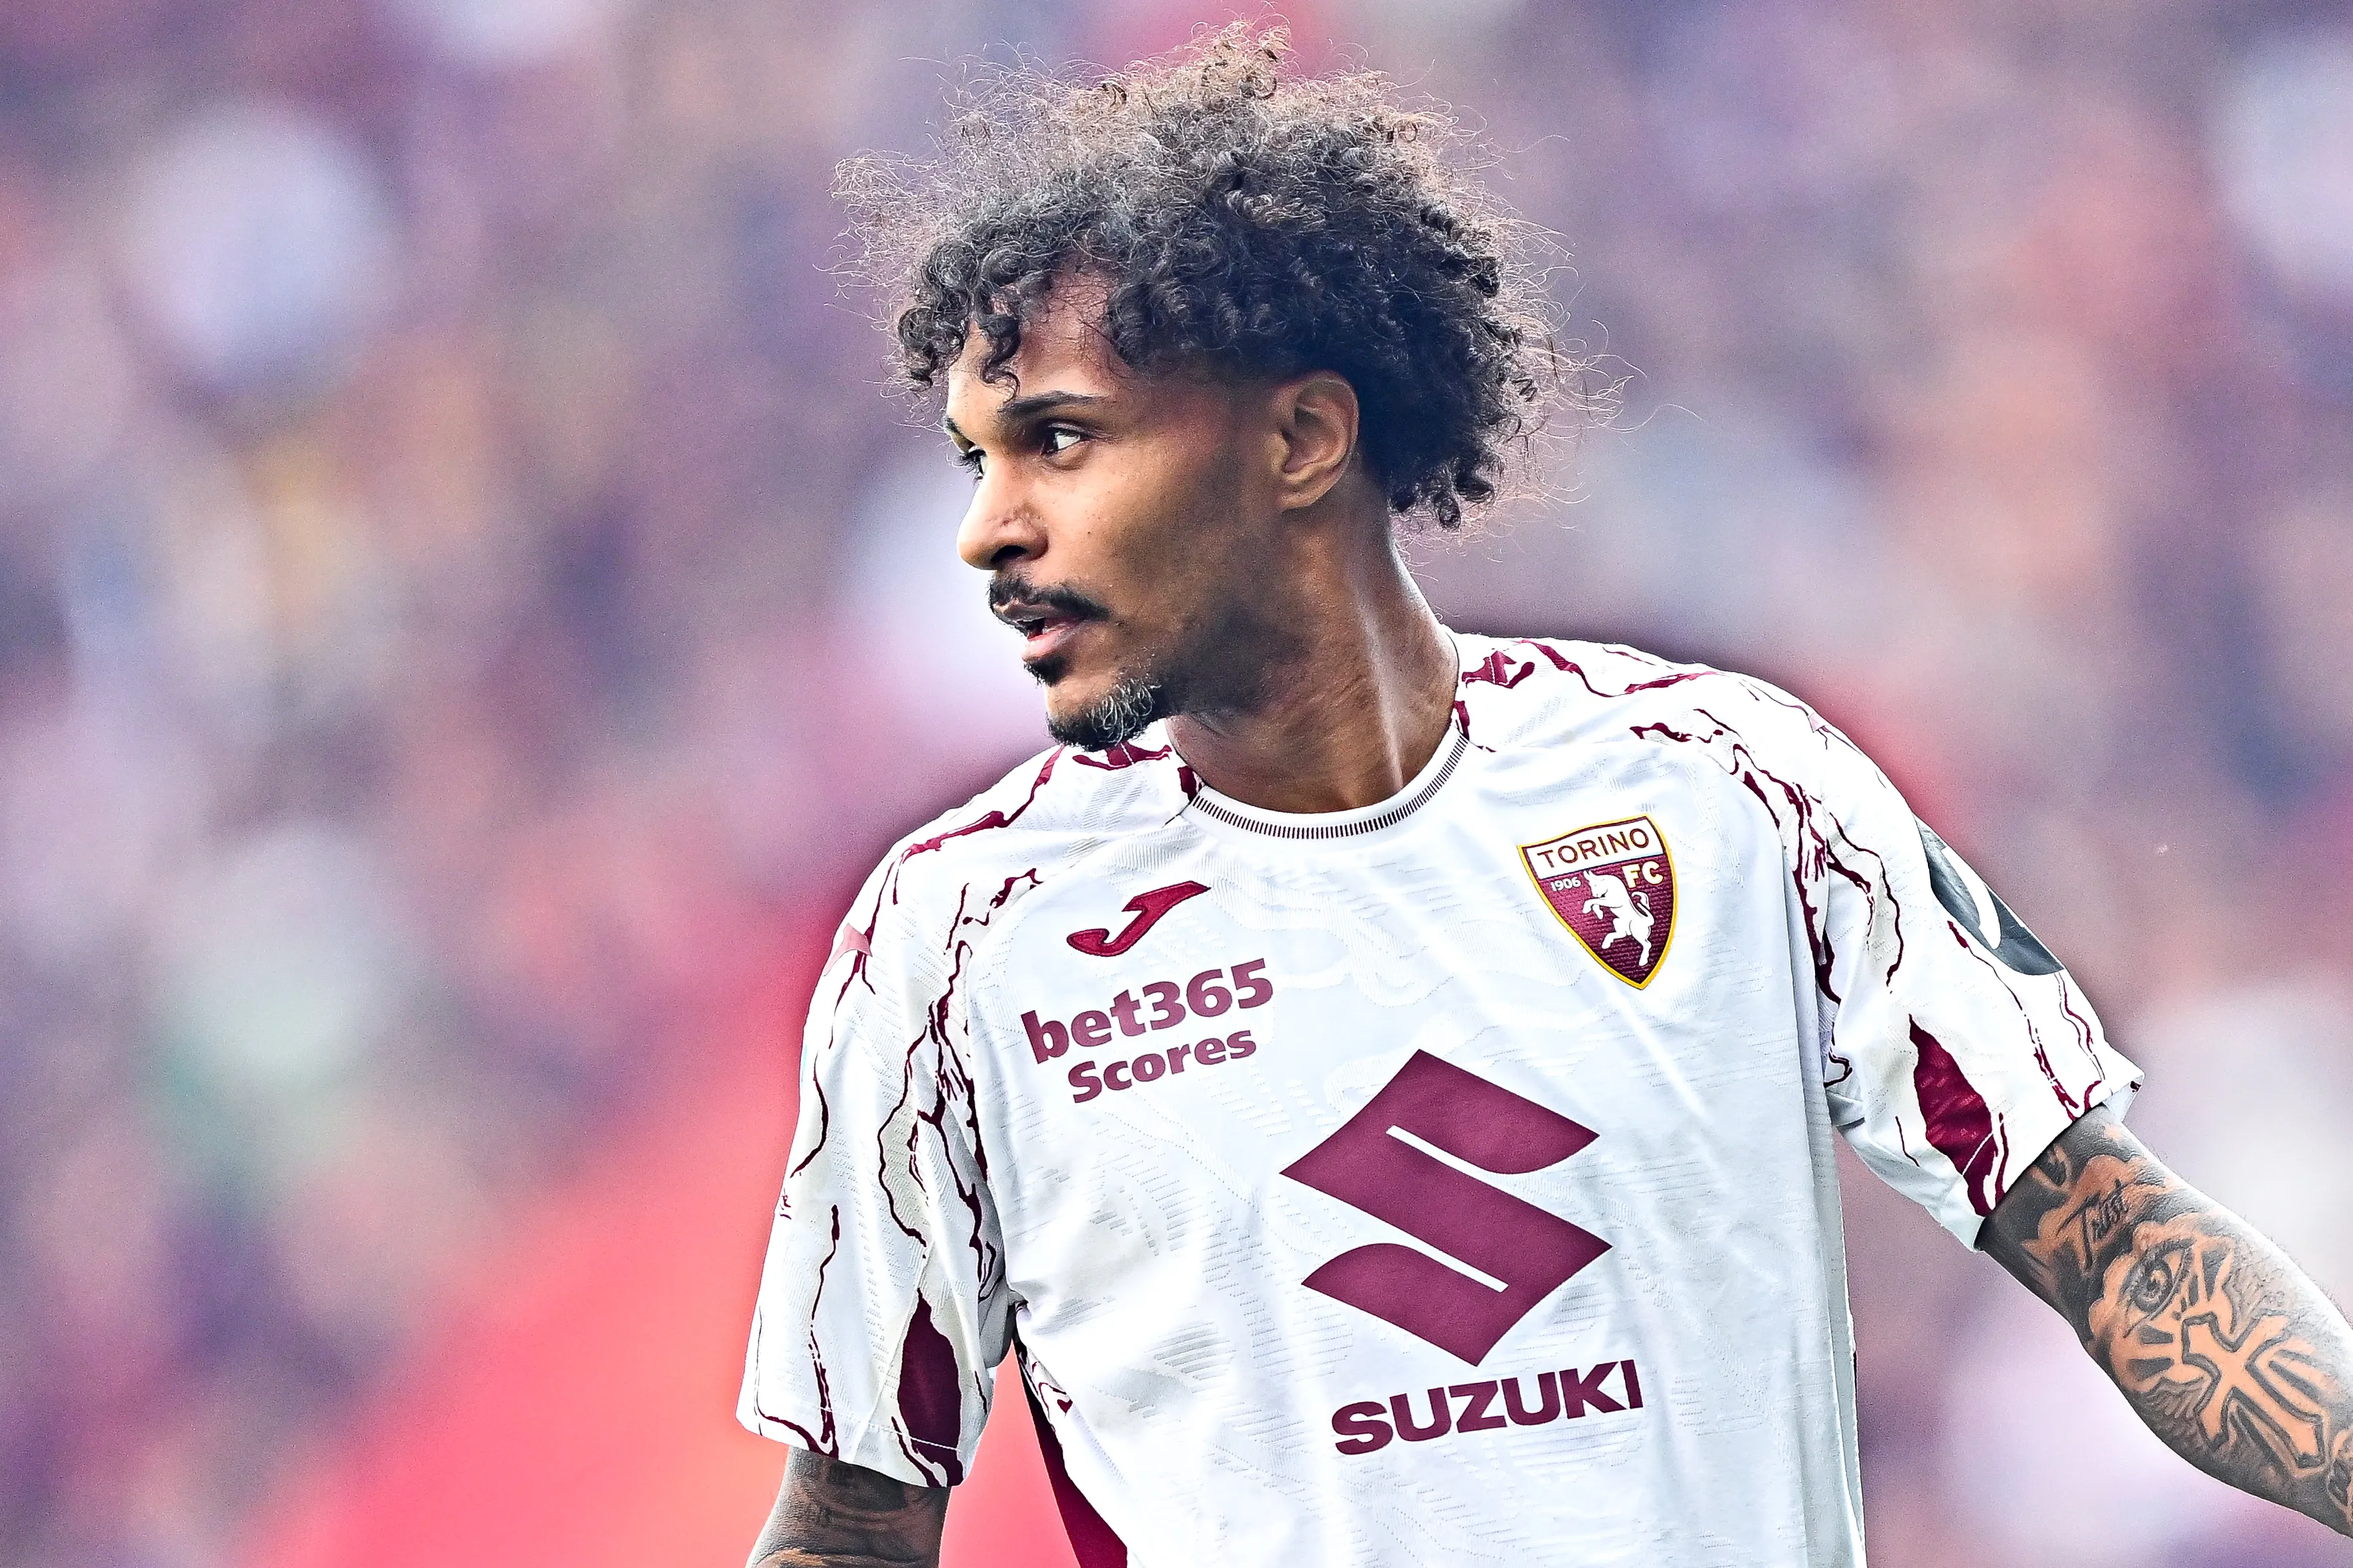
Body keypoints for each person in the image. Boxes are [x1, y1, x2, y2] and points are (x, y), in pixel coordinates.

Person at [739, 28, 2353, 1567]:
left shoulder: (1731, 790)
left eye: (1062, 442)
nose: (990, 531)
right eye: (979, 460)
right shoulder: (956, 944)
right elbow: (854, 1524)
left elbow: (2116, 1239)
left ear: (1303, 436)